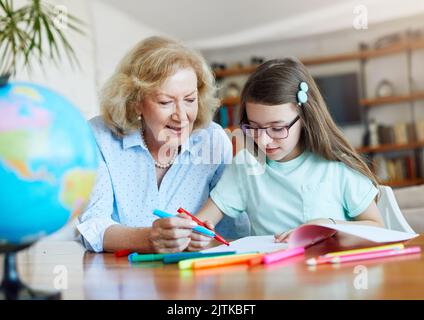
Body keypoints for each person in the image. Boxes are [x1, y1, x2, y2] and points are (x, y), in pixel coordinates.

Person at [182, 57, 384, 250]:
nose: (263, 141)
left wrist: (329, 226)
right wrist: (196, 233)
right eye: (254, 127)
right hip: (272, 277)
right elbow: (200, 223)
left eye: (277, 128)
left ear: (304, 118)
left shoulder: (337, 165)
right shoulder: (245, 166)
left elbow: (378, 228)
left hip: (330, 276)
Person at [77, 36, 247, 254]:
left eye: (190, 99)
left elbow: (235, 231)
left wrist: (205, 237)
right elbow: (93, 226)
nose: (182, 116)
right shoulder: (99, 137)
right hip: (120, 278)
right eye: (166, 102)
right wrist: (149, 238)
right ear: (135, 102)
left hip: (194, 278)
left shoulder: (212, 139)